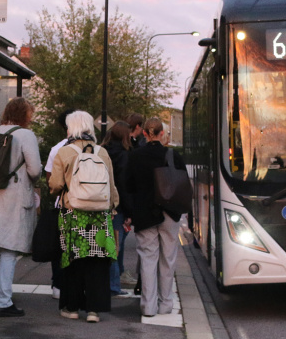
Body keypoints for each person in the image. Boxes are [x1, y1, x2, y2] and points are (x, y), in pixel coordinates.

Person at [49, 111, 119, 323]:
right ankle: (94, 310)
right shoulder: (102, 152)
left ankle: (71, 307)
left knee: (72, 261)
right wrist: (113, 208)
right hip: (99, 215)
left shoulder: (65, 152)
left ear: (71, 128)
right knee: (97, 262)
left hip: (72, 213)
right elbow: (111, 185)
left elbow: (55, 185)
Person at [0, 97, 43, 317]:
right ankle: (3, 302)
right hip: (12, 197)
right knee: (8, 250)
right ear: (24, 115)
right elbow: (34, 170)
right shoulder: (26, 135)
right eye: (30, 114)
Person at [126, 117, 187, 318]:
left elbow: (129, 187)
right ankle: (166, 303)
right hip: (169, 211)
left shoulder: (135, 156)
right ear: (162, 134)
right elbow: (183, 184)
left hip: (144, 213)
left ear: (144, 133)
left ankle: (148, 306)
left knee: (148, 259)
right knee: (167, 259)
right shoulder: (172, 155)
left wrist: (130, 213)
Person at [42, 108, 76, 299]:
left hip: (62, 203)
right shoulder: (91, 147)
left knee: (60, 246)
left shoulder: (57, 149)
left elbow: (50, 180)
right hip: (84, 204)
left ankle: (58, 284)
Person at [101, 121, 133, 295]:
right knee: (114, 246)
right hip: (117, 207)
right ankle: (113, 285)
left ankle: (104, 281)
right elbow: (124, 185)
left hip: (99, 203)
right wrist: (129, 211)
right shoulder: (124, 155)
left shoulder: (101, 151)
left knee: (103, 244)